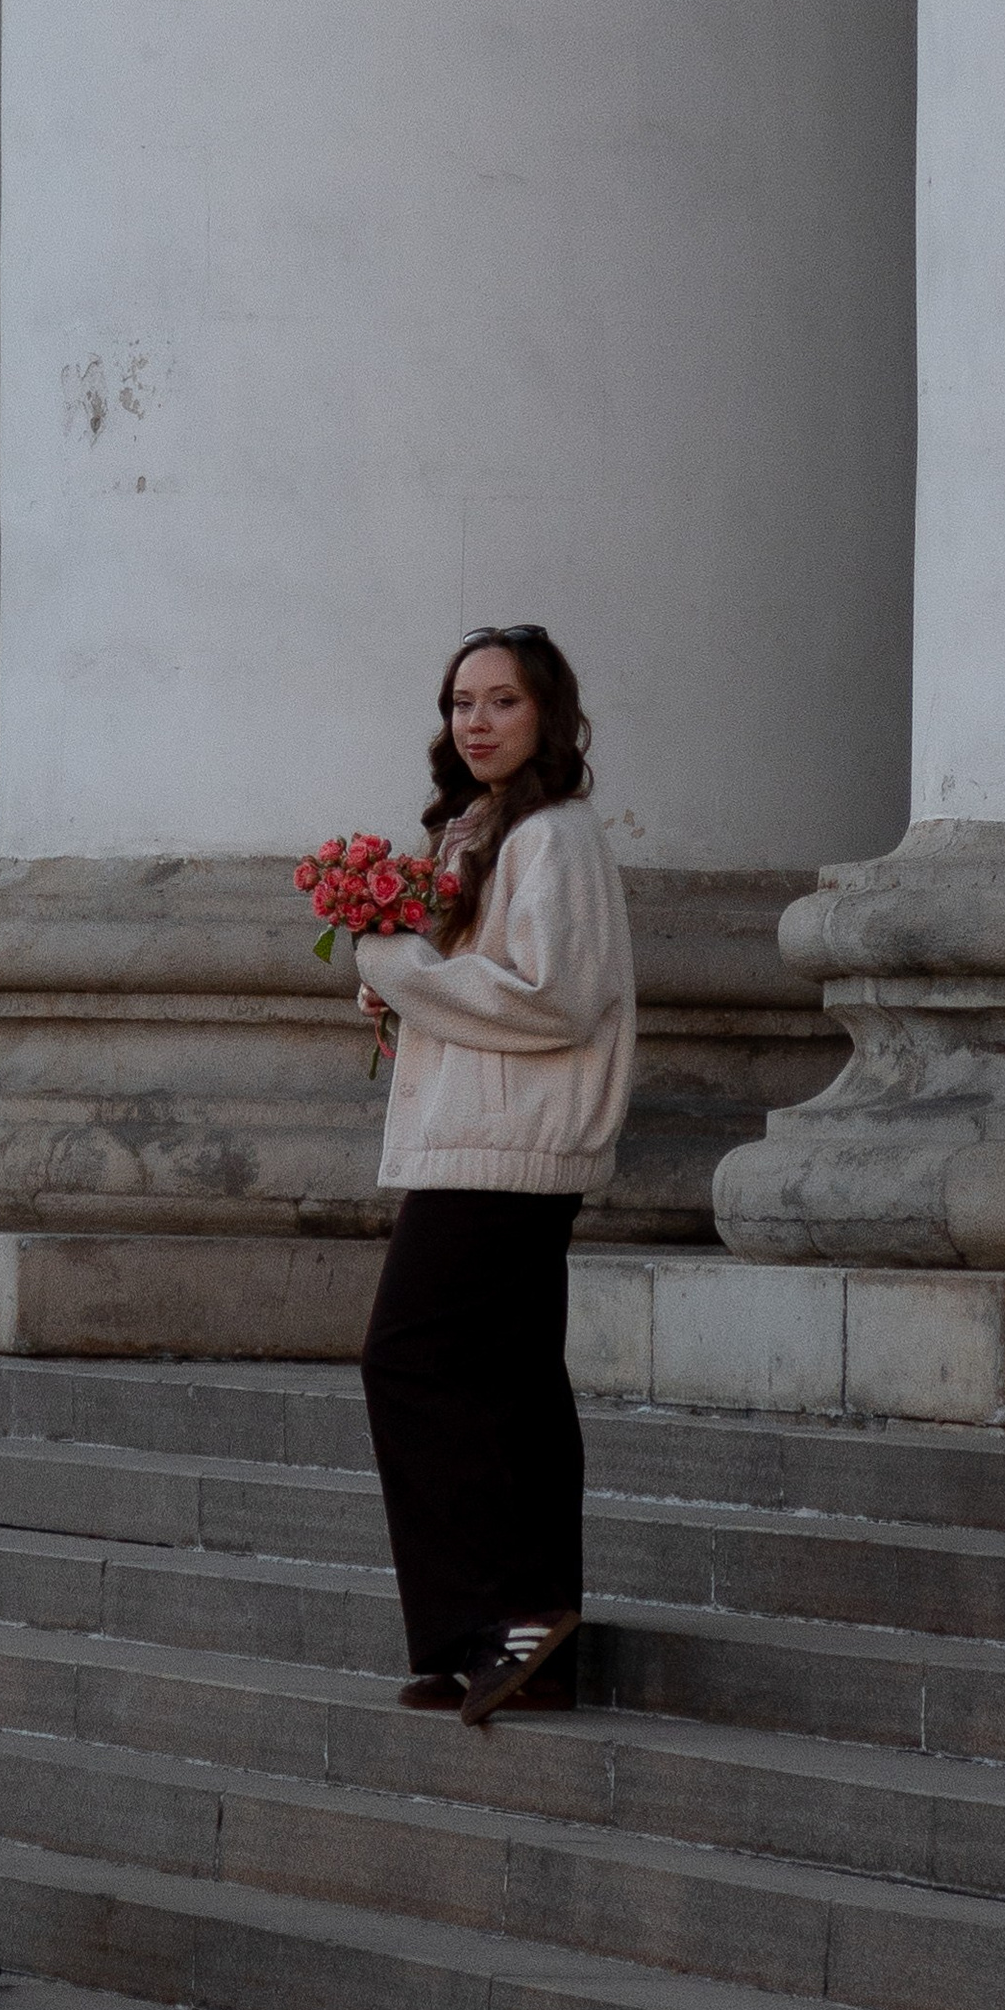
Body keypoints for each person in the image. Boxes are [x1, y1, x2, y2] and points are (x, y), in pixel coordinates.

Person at [350, 626, 637, 1729]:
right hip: (489, 1140)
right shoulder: (480, 829)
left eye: (502, 701)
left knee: (408, 1359)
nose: (475, 721)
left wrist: (401, 968)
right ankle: (519, 1642)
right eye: (460, 702)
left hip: (507, 1148)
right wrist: (402, 983)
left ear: (547, 714)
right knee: (510, 1382)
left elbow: (556, 997)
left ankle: (500, 1618)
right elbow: (488, 980)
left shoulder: (555, 834)